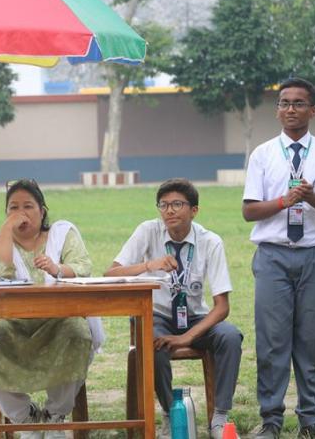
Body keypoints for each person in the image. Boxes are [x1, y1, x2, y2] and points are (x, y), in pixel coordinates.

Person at [242, 77, 315, 439]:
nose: (290, 109)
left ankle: (311, 420)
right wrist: (283, 201)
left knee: (309, 342)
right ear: (277, 110)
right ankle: (271, 420)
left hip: (314, 257)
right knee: (272, 342)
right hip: (273, 257)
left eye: (299, 103)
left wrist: (309, 197)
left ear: (313, 110)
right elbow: (249, 211)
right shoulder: (263, 154)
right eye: (284, 103)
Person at [104, 178, 243, 439]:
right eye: (163, 205)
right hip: (157, 315)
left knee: (230, 336)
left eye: (177, 204)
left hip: (195, 319)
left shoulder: (210, 241)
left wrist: (186, 337)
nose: (169, 211)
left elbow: (222, 307)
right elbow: (111, 273)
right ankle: (171, 413)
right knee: (153, 342)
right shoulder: (148, 231)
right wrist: (149, 265)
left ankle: (220, 417)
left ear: (194, 210)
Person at [0, 179, 102, 439]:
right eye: (13, 208)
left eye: (28, 206)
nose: (21, 214)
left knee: (78, 334)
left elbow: (83, 266)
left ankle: (53, 417)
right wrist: (7, 230)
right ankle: (26, 419)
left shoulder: (62, 234)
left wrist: (57, 268)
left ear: (42, 210)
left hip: (59, 321)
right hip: (11, 324)